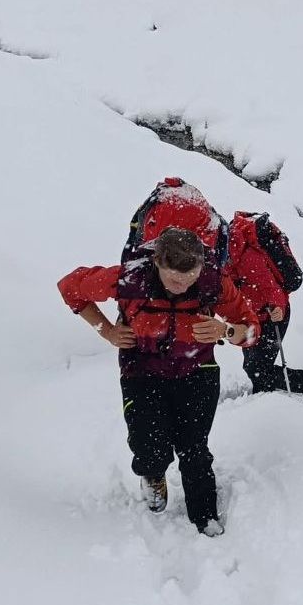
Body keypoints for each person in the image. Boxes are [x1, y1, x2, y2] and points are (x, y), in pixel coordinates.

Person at [58, 228, 259, 537]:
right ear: (157, 262)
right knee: (149, 446)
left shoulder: (213, 282)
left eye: (189, 278)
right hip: (142, 371)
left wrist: (226, 331)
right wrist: (107, 331)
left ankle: (204, 514)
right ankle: (152, 474)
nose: (181, 286)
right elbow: (70, 287)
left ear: (201, 266)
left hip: (198, 370)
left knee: (194, 447)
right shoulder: (129, 279)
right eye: (173, 279)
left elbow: (252, 330)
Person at [228, 211, 303, 398]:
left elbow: (271, 287)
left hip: (272, 316)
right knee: (252, 366)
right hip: (250, 316)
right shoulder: (222, 258)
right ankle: (272, 395)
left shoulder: (247, 257)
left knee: (258, 368)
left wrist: (277, 307)